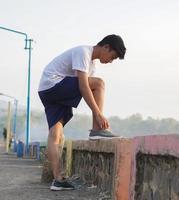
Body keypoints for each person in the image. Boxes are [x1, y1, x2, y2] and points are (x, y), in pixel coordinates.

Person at [38, 34, 126, 191]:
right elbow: (84, 87)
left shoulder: (91, 65)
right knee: (99, 83)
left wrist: (96, 110)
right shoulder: (83, 52)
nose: (110, 61)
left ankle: (58, 180)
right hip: (54, 84)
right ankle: (97, 130)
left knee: (55, 134)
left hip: (46, 90)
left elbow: (87, 92)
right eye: (112, 57)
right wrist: (98, 114)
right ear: (106, 47)